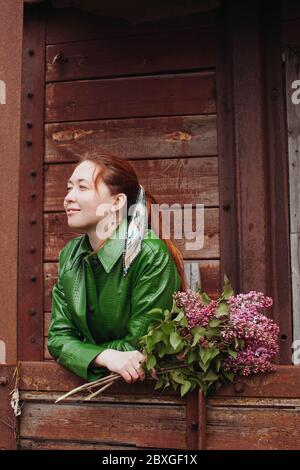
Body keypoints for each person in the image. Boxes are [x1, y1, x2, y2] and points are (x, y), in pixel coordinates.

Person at [48, 153, 187, 385]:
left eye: (82, 188)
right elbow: (57, 338)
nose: (68, 197)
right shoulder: (69, 255)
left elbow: (139, 347)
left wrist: (80, 354)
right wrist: (105, 356)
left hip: (148, 394)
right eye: (69, 188)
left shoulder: (150, 255)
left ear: (117, 202)